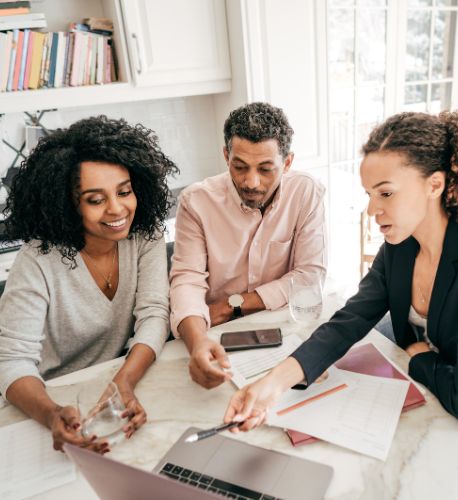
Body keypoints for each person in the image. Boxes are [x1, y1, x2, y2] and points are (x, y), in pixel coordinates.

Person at [224, 110, 458, 430]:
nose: (372, 210)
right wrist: (271, 385)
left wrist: (418, 357)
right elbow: (349, 320)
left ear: (434, 185)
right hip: (427, 393)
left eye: (386, 193)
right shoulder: (401, 246)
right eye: (369, 194)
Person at [0, 116, 178, 453]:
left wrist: (123, 382)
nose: (117, 209)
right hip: (44, 399)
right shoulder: (37, 259)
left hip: (114, 383)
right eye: (96, 200)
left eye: (124, 191)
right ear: (68, 205)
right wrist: (52, 414)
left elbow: (154, 314)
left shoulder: (144, 234)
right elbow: (11, 363)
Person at [170, 102, 327, 390]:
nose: (251, 182)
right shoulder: (196, 202)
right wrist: (197, 345)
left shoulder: (306, 192)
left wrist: (234, 305)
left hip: (283, 327)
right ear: (226, 155)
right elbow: (186, 281)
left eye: (266, 169)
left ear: (288, 163)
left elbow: (309, 277)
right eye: (239, 166)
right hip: (217, 334)